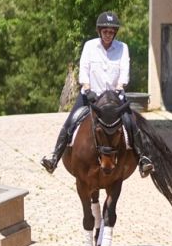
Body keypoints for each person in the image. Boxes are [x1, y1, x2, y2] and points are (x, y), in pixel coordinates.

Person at [42, 11, 145, 172]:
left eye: (111, 32)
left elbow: (124, 71)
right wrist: (87, 88)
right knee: (71, 121)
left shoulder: (122, 48)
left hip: (114, 98)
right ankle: (54, 157)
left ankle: (143, 159)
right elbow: (84, 69)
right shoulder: (89, 46)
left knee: (131, 123)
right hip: (90, 95)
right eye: (105, 31)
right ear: (99, 31)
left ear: (115, 33)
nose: (108, 35)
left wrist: (120, 88)